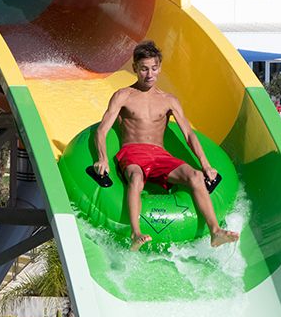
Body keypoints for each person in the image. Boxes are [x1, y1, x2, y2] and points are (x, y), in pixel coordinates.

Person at [94, 41, 240, 251]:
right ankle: (136, 233)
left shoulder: (168, 100)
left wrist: (206, 165)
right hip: (132, 153)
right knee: (136, 178)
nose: (149, 74)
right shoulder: (123, 95)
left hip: (160, 156)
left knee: (196, 176)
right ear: (135, 68)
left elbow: (188, 134)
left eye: (154, 68)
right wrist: (102, 158)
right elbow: (102, 130)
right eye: (144, 69)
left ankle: (215, 231)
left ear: (160, 68)